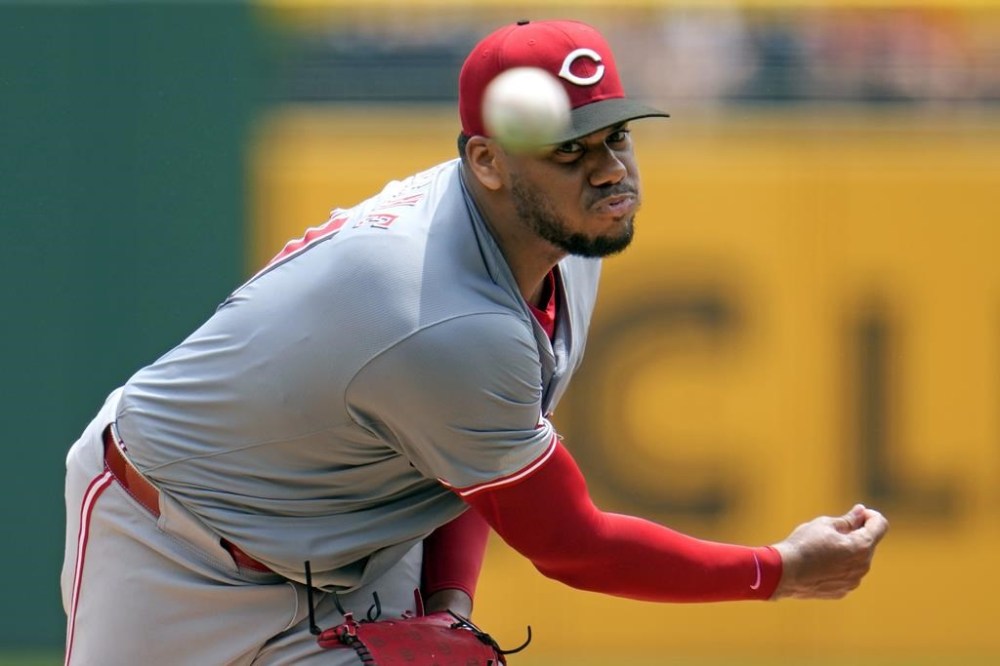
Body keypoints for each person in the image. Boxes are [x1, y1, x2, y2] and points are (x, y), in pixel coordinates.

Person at [61, 18, 888, 665]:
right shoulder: (446, 313)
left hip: (350, 545)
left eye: (617, 137)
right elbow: (573, 546)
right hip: (173, 545)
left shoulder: (558, 239)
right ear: (488, 163)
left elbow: (463, 467)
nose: (609, 172)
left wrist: (446, 608)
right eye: (569, 150)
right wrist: (776, 572)